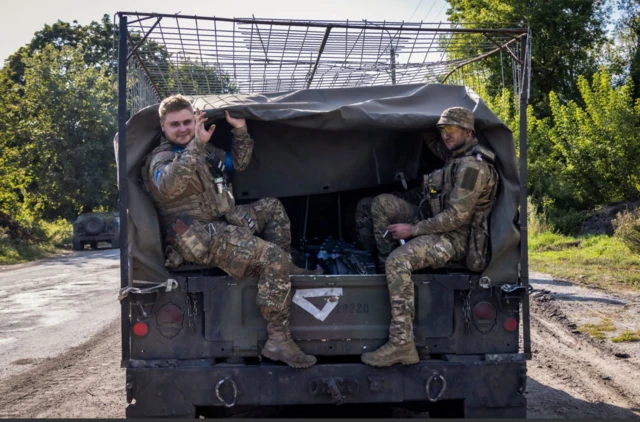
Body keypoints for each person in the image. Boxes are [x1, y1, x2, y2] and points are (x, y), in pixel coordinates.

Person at [142, 94, 320, 368]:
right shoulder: (160, 158)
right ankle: (278, 340)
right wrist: (196, 147)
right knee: (272, 256)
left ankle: (280, 274)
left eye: (187, 122)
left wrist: (239, 130)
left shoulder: (204, 150)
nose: (182, 129)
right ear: (163, 127)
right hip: (195, 237)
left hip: (224, 220)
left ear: (195, 120)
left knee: (272, 208)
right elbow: (168, 186)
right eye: (174, 124)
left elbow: (237, 164)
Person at [356, 107, 499, 367]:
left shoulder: (472, 167)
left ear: (468, 131)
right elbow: (435, 143)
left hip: (456, 239)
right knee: (377, 205)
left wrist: (413, 230)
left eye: (451, 129)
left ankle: (402, 343)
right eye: (443, 130)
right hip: (435, 223)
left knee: (398, 261)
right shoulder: (456, 154)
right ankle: (387, 279)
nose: (445, 135)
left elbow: (456, 218)